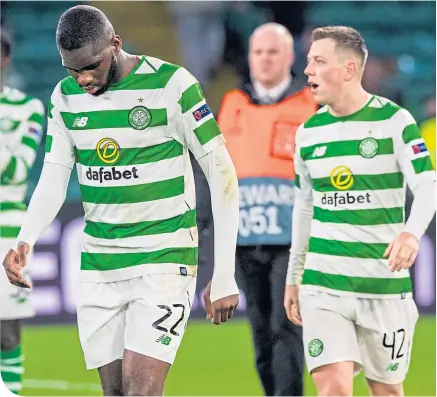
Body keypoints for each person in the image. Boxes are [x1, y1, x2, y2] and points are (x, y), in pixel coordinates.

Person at [1, 5, 240, 396]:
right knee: (115, 392)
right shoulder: (65, 97)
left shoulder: (172, 85)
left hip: (163, 258)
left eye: (90, 66)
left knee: (141, 390)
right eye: (71, 69)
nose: (82, 78)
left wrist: (226, 272)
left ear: (115, 44)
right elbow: (55, 174)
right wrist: (25, 238)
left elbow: (222, 172)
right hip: (100, 265)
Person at [284, 26, 436, 397]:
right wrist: (295, 273)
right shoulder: (307, 133)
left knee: (386, 390)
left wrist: (411, 233)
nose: (308, 71)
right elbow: (304, 207)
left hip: (382, 285)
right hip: (324, 284)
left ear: (349, 69)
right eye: (308, 62)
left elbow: (428, 186)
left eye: (319, 62)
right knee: (333, 388)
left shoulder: (395, 122)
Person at [218, 23, 317, 396]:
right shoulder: (232, 104)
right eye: (258, 52)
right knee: (261, 331)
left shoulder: (310, 104)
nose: (264, 59)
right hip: (244, 240)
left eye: (273, 52)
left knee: (285, 325)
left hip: (293, 241)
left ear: (290, 57)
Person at [0, 29, 45, 394]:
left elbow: (18, 169)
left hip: (7, 230)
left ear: (6, 59)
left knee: (6, 332)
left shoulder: (28, 108)